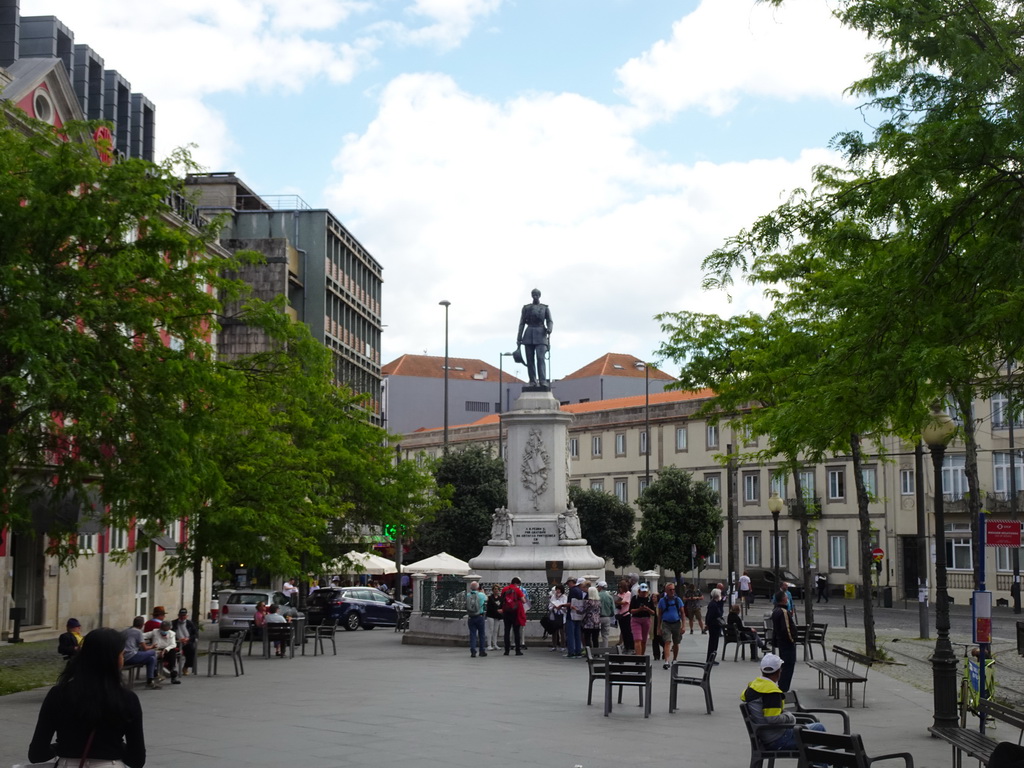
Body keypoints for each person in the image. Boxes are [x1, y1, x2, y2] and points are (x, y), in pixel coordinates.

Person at [28, 627, 146, 767]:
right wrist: (113, 748)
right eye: (122, 654)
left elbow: (37, 753)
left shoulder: (58, 694)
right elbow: (137, 759)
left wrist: (61, 747)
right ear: (115, 660)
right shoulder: (127, 698)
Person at [741, 653, 825, 753]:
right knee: (819, 729)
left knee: (816, 734)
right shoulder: (771, 692)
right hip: (778, 739)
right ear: (778, 671)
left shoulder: (754, 687)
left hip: (767, 736)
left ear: (761, 670)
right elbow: (772, 718)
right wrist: (790, 716)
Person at [516, 288, 553, 387]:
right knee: (530, 359)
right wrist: (519, 338)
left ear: (539, 295)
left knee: (540, 358)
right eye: (533, 294)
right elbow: (522, 323)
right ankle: (532, 380)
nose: (535, 296)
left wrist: (549, 329)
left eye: (536, 294)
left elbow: (550, 320)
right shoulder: (526, 308)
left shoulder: (545, 308)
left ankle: (543, 380)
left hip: (541, 334)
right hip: (529, 334)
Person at [771, 589, 799, 691]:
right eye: (786, 597)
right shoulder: (783, 612)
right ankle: (784, 688)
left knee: (784, 665)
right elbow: (786, 628)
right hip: (786, 643)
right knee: (788, 665)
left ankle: (782, 686)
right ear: (783, 599)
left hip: (781, 642)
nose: (787, 599)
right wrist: (792, 639)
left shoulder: (776, 611)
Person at [122, 616, 160, 690]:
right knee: (152, 652)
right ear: (142, 625)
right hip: (131, 655)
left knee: (151, 659)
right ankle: (156, 673)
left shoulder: (125, 631)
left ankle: (150, 681)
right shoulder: (138, 632)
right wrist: (152, 646)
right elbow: (145, 648)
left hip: (123, 656)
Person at [658, 582, 684, 670]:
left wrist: (683, 626)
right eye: (670, 590)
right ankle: (666, 661)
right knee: (667, 641)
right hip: (666, 623)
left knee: (676, 642)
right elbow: (660, 615)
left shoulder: (678, 600)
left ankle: (675, 659)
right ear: (666, 591)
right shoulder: (662, 601)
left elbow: (683, 613)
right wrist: (659, 627)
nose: (672, 591)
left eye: (673, 589)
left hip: (676, 623)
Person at [500, 577, 527, 656]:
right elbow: (523, 601)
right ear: (517, 584)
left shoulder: (504, 589)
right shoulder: (517, 590)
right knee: (516, 631)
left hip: (506, 612)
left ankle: (506, 650)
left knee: (507, 631)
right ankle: (517, 650)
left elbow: (502, 600)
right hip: (515, 612)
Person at [629, 583, 656, 656]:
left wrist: (647, 609)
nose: (644, 593)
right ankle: (638, 657)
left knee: (644, 640)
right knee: (638, 639)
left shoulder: (649, 599)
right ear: (639, 591)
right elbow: (631, 610)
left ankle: (642, 656)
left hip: (646, 620)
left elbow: (653, 612)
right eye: (642, 591)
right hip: (636, 619)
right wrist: (639, 609)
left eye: (645, 592)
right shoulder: (635, 598)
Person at [170, 608, 198, 676]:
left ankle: (186, 667)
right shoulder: (173, 623)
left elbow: (195, 634)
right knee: (172, 651)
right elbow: (170, 633)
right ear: (178, 615)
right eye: (181, 615)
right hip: (176, 642)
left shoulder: (190, 623)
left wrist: (188, 639)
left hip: (187, 642)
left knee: (191, 650)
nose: (182, 617)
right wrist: (178, 640)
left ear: (186, 616)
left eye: (184, 615)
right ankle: (172, 668)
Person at [465, 581, 487, 658]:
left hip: (471, 617)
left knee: (473, 634)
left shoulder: (468, 595)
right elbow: (486, 599)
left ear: (470, 588)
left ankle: (473, 650)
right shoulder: (481, 595)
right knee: (481, 634)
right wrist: (482, 591)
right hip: (480, 616)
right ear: (478, 587)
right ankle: (482, 650)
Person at [564, 576, 585, 659]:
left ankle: (571, 652)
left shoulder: (572, 590)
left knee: (570, 634)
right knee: (577, 633)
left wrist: (562, 605)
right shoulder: (580, 590)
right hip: (578, 614)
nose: (568, 585)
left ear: (571, 582)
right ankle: (578, 651)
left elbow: (571, 603)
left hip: (571, 614)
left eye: (568, 583)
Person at [705, 588, 726, 664]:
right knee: (713, 642)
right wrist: (708, 624)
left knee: (713, 642)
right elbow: (716, 614)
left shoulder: (714, 603)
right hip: (714, 625)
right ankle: (711, 658)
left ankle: (711, 658)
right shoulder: (714, 605)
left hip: (713, 625)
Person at [615, 579, 635, 653]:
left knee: (628, 631)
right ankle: (626, 646)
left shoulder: (628, 594)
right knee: (623, 631)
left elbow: (624, 602)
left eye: (621, 587)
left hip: (626, 614)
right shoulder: (619, 594)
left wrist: (617, 602)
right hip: (620, 615)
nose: (619, 588)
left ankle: (631, 646)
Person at [547, 584, 567, 652]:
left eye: (559, 589)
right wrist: (553, 607)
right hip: (555, 615)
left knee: (562, 632)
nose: (557, 591)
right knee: (554, 632)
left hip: (561, 615)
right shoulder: (553, 597)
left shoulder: (564, 597)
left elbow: (566, 606)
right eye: (556, 590)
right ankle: (554, 645)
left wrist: (561, 607)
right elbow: (550, 606)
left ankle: (563, 645)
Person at [596, 580, 615, 647]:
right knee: (605, 635)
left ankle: (596, 650)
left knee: (596, 635)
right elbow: (612, 608)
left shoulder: (597, 595)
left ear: (600, 587)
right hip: (607, 617)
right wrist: (612, 615)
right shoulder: (610, 596)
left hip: (597, 617)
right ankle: (605, 650)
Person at [486, 584, 503, 651]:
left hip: (497, 616)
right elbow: (489, 607)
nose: (496, 591)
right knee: (491, 629)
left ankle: (495, 644)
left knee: (495, 630)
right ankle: (489, 644)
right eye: (495, 589)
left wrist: (501, 611)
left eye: (497, 589)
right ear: (493, 590)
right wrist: (496, 610)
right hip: (490, 615)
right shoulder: (490, 598)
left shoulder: (500, 598)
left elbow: (501, 606)